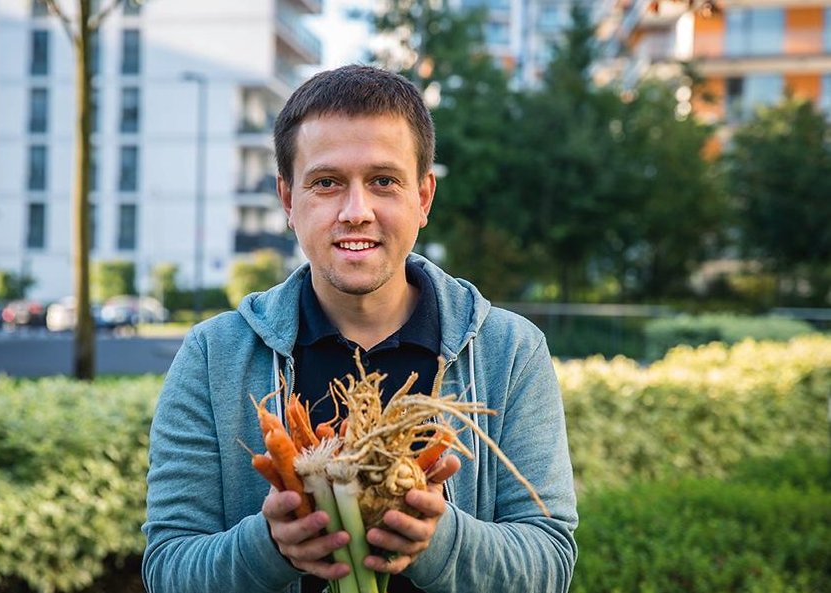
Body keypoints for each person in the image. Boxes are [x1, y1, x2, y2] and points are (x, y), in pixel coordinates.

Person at [142, 64, 578, 593]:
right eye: (326, 183)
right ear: (287, 200)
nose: (356, 211)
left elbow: (550, 564)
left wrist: (437, 541)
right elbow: (167, 569)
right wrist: (270, 548)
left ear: (423, 199)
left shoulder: (509, 351)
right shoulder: (213, 356)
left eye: (383, 182)